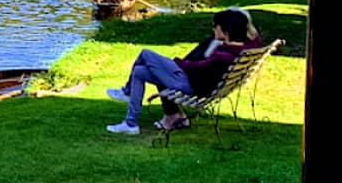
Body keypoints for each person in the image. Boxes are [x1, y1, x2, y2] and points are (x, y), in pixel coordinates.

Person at [104, 8, 262, 135]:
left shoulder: (224, 56)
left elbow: (196, 67)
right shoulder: (239, 48)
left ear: (226, 32)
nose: (213, 29)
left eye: (217, 27)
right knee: (139, 71)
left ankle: (127, 92)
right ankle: (131, 124)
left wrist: (177, 62)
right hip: (195, 81)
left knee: (146, 53)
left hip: (188, 84)